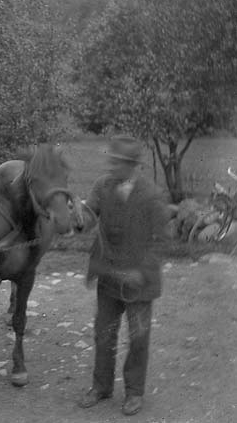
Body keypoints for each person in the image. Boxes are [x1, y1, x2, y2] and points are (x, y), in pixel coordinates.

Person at [77, 135, 169, 417]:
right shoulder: (102, 186)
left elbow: (162, 241)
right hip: (108, 277)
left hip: (139, 285)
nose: (110, 166)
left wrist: (141, 272)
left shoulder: (152, 195)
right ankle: (101, 386)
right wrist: (77, 216)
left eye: (115, 162)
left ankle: (134, 393)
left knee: (139, 338)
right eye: (111, 160)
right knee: (103, 335)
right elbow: (89, 213)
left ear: (131, 165)